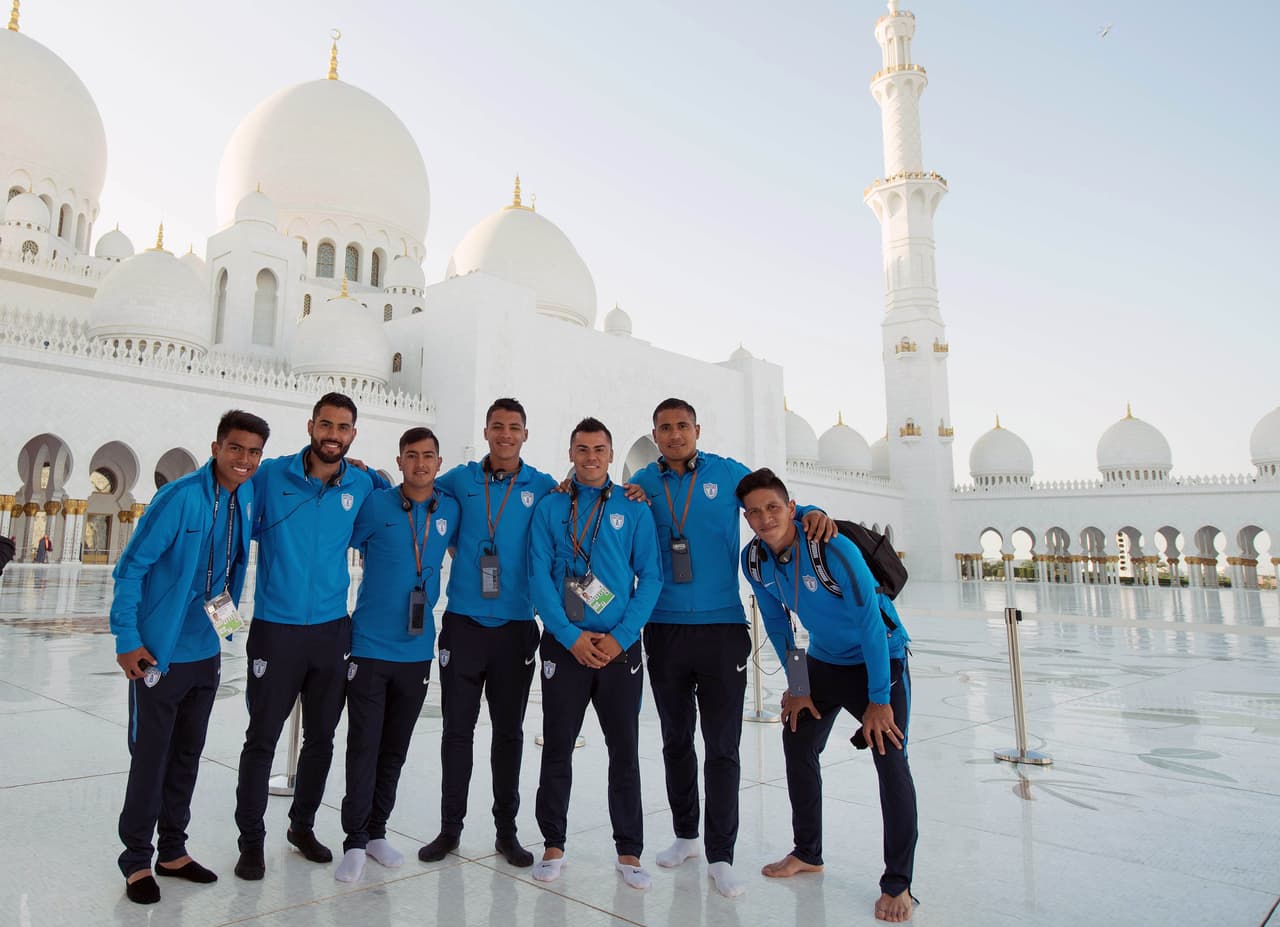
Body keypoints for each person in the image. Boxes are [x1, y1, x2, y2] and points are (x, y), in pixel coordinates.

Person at [628, 398, 834, 898]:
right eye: (664, 428)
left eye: (682, 426)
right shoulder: (643, 486)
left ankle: (721, 854)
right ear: (654, 435)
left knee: (722, 747)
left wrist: (810, 511)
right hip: (663, 628)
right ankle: (686, 837)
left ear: (697, 428)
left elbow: (772, 501)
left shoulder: (726, 474)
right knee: (676, 740)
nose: (674, 435)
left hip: (722, 630)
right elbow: (603, 508)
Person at [736, 468, 918, 924]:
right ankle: (808, 852)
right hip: (825, 661)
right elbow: (778, 625)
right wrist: (798, 688)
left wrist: (879, 701)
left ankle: (898, 882)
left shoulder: (831, 548)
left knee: (890, 759)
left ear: (791, 508)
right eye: (754, 513)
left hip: (881, 659)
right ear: (747, 518)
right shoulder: (754, 560)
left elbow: (871, 623)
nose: (765, 518)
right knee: (797, 739)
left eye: (773, 508)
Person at [109, 409, 269, 904]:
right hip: (160, 654)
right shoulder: (179, 498)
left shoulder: (242, 502)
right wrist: (126, 639)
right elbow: (131, 568)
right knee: (151, 758)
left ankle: (173, 850)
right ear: (217, 446)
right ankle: (136, 859)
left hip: (204, 654)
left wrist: (227, 635)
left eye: (253, 452)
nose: (244, 459)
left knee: (186, 756)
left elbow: (220, 579)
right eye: (236, 448)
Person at [233, 392, 389, 880]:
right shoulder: (270, 475)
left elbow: (392, 508)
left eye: (343, 428)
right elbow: (230, 514)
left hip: (330, 631)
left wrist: (379, 474)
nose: (333, 435)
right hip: (275, 630)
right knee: (262, 738)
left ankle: (301, 826)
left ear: (353, 435)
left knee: (321, 738)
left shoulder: (361, 484)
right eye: (326, 425)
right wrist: (226, 623)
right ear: (310, 425)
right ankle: (251, 841)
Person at [419, 398, 556, 867]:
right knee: (457, 732)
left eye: (514, 427)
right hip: (464, 626)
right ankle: (449, 830)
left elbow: (581, 500)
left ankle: (507, 832)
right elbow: (417, 487)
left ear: (525, 434)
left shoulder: (541, 486)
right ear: (486, 430)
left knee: (509, 734)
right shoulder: (459, 479)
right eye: (497, 426)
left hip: (516, 628)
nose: (505, 435)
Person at [528, 417, 662, 890]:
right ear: (570, 453)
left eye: (599, 450)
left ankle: (629, 851)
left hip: (618, 650)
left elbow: (652, 577)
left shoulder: (633, 507)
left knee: (624, 751)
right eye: (582, 449)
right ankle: (553, 843)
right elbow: (538, 578)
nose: (590, 458)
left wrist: (622, 636)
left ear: (610, 454)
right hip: (566, 647)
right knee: (557, 748)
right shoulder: (551, 506)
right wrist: (570, 636)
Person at [335, 427, 458, 882]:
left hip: (416, 652)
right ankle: (353, 839)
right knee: (363, 745)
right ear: (400, 461)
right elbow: (337, 541)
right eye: (412, 456)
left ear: (439, 463)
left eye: (428, 456)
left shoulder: (450, 509)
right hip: (369, 647)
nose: (420, 464)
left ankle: (378, 830)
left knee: (395, 748)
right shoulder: (376, 505)